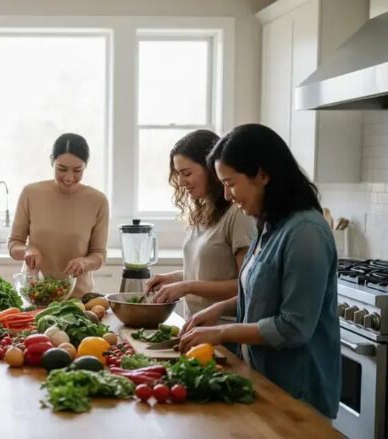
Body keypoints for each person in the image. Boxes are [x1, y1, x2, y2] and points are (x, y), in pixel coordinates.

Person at [179, 123, 341, 418]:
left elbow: (293, 327)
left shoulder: (305, 232)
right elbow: (261, 292)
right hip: (265, 383)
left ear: (263, 175)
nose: (226, 195)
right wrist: (216, 310)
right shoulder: (269, 224)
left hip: (298, 394)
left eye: (230, 183)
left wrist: (221, 332)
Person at [145, 130, 255, 321]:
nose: (180, 182)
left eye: (186, 173)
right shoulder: (203, 211)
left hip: (225, 332)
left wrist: (187, 286)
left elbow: (246, 285)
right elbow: (209, 273)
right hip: (196, 328)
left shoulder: (238, 215)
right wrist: (175, 278)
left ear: (212, 169)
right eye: (177, 174)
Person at [8, 133, 109, 296]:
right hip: (35, 293)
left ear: (86, 166)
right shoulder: (30, 193)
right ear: (52, 162)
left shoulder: (98, 201)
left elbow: (99, 255)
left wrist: (85, 262)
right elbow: (14, 245)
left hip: (78, 297)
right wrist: (27, 250)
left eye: (77, 170)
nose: (69, 178)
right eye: (62, 169)